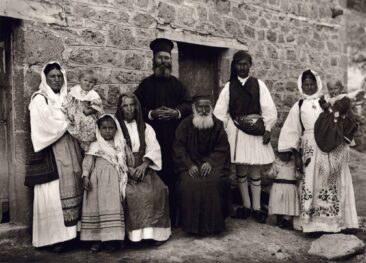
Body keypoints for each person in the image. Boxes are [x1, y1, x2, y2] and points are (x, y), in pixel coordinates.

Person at [278, 69, 359, 233]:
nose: (309, 87)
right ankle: (312, 224)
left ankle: (336, 222)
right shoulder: (299, 105)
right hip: (309, 147)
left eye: (312, 84)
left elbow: (343, 119)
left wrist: (343, 140)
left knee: (332, 180)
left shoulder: (328, 101)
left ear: (317, 84)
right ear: (302, 86)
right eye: (305, 85)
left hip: (331, 146)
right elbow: (292, 130)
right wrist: (296, 155)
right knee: (311, 181)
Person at [214, 51, 277, 223]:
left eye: (245, 64)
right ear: (234, 66)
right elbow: (220, 112)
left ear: (250, 65)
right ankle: (246, 205)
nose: (242, 67)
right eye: (239, 64)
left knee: (254, 169)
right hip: (237, 131)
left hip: (255, 130)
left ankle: (257, 208)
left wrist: (267, 128)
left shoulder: (259, 85)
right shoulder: (229, 87)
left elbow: (269, 109)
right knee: (241, 169)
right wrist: (230, 127)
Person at [26, 61, 83, 252]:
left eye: (60, 76)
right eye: (52, 76)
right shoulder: (39, 99)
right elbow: (46, 125)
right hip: (50, 152)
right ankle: (53, 238)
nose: (57, 80)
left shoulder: (67, 98)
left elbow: (79, 118)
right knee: (52, 192)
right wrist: (68, 121)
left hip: (70, 149)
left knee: (74, 183)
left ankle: (71, 234)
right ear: (45, 78)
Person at [134, 38, 192, 225]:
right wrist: (151, 113)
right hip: (152, 140)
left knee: (174, 178)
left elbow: (189, 105)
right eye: (160, 58)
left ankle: (175, 219)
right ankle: (156, 219)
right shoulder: (145, 85)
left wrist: (176, 112)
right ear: (154, 60)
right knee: (155, 179)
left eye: (167, 58)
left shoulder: (178, 85)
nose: (164, 61)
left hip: (175, 140)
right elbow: (134, 107)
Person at [115, 93, 171, 244]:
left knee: (159, 190)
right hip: (123, 169)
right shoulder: (115, 127)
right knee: (131, 194)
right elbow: (113, 151)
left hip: (143, 167)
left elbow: (153, 148)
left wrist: (144, 165)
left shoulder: (146, 127)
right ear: (120, 108)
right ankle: (134, 237)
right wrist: (127, 168)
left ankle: (153, 235)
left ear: (137, 107)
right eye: (125, 105)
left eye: (132, 105)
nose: (129, 109)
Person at [173, 95, 231, 235]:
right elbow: (178, 148)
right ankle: (191, 227)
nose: (204, 110)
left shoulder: (217, 125)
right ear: (194, 108)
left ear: (211, 108)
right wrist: (189, 165)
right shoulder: (185, 125)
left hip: (212, 165)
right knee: (189, 183)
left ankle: (214, 226)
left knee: (215, 182)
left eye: (207, 107)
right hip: (190, 165)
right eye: (200, 107)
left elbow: (222, 148)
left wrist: (210, 162)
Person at [80, 114, 129, 252]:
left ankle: (111, 240)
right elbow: (88, 162)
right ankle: (97, 240)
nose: (107, 131)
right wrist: (85, 176)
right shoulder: (95, 145)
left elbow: (125, 162)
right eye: (104, 128)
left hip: (114, 181)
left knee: (112, 207)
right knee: (96, 208)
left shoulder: (120, 144)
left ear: (116, 129)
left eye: (111, 128)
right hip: (97, 181)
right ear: (99, 129)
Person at [64, 69, 104, 151]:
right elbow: (68, 99)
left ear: (94, 84)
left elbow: (97, 106)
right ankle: (79, 144)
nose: (87, 83)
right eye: (85, 80)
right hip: (74, 113)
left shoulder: (93, 94)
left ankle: (87, 144)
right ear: (80, 80)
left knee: (89, 126)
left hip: (86, 114)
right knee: (71, 123)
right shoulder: (75, 90)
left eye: (91, 82)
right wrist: (67, 106)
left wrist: (90, 110)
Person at [314, 80, 358, 153]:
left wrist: (333, 103)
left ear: (341, 89)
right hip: (332, 120)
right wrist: (323, 102)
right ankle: (327, 141)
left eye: (335, 88)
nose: (333, 91)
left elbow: (343, 108)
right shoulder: (328, 98)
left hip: (342, 118)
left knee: (343, 127)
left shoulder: (344, 98)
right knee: (323, 123)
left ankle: (344, 137)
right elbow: (325, 107)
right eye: (330, 89)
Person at [267, 151, 301, 230]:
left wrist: (299, 169)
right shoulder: (276, 163)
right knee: (279, 203)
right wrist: (270, 173)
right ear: (279, 154)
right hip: (278, 186)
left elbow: (298, 175)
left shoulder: (294, 164)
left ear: (290, 154)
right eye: (282, 154)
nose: (284, 156)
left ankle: (287, 219)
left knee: (289, 204)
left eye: (287, 154)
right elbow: (271, 174)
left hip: (290, 187)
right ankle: (279, 219)